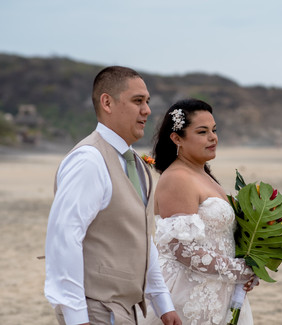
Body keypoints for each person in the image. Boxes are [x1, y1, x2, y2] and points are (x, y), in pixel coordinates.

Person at [44, 66, 181, 325]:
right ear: (107, 102)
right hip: (95, 310)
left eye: (148, 102)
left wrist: (162, 303)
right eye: (137, 101)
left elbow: (142, 236)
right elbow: (64, 237)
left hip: (127, 311)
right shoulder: (89, 160)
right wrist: (76, 317)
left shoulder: (137, 165)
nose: (147, 110)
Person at [140, 99, 256, 325]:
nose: (213, 137)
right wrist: (239, 270)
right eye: (202, 132)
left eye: (214, 130)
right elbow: (183, 250)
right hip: (186, 295)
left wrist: (248, 270)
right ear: (177, 139)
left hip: (218, 290)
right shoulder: (177, 178)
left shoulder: (204, 175)